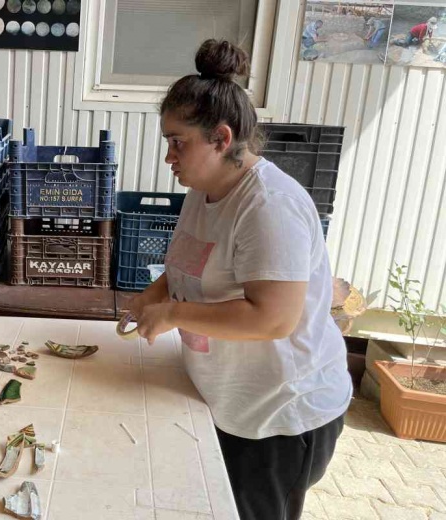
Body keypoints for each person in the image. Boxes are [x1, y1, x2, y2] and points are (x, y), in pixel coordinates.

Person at [128, 39, 352, 520]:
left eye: (178, 141)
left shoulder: (269, 205)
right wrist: (155, 293)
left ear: (222, 139)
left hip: (280, 417)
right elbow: (188, 262)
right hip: (229, 399)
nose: (170, 155)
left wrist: (172, 313)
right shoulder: (203, 189)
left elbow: (274, 319)